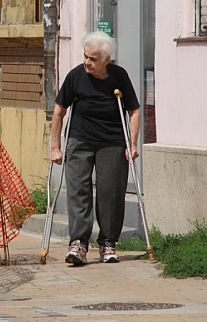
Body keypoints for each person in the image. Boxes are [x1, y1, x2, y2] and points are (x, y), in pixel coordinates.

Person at [50, 31, 140, 265]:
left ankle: (108, 242)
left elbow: (134, 110)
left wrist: (132, 144)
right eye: (85, 57)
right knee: (78, 189)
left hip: (112, 141)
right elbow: (59, 111)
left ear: (107, 60)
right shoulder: (76, 77)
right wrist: (56, 147)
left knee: (111, 193)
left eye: (93, 59)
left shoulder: (119, 77)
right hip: (80, 139)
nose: (87, 62)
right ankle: (78, 243)